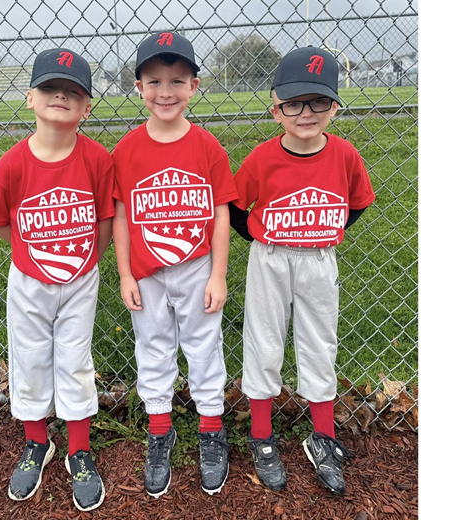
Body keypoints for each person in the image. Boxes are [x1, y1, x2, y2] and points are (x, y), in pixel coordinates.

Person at [229, 46, 376, 496]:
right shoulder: (262, 157)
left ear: (335, 106)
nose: (306, 113)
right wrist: (263, 239)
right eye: (294, 103)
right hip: (271, 258)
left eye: (318, 101)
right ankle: (261, 435)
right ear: (276, 109)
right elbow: (235, 207)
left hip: (317, 259)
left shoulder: (345, 154)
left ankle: (322, 436)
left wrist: (324, 229)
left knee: (319, 344)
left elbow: (358, 202)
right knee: (264, 340)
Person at [0, 47, 114, 512]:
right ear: (30, 97)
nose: (61, 96)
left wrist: (86, 258)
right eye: (50, 88)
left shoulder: (97, 159)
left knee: (74, 359)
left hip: (80, 278)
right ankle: (38, 442)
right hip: (29, 280)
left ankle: (79, 450)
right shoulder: (12, 163)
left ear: (86, 107)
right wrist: (31, 251)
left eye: (72, 92)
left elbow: (105, 220)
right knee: (31, 357)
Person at [111, 31, 239, 497]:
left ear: (194, 86)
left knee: (204, 345)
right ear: (138, 87)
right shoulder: (126, 149)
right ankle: (160, 429)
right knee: (153, 345)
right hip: (147, 271)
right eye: (155, 81)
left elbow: (221, 212)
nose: (165, 92)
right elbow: (121, 214)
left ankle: (211, 429)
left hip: (197, 265)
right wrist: (125, 273)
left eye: (177, 81)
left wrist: (219, 274)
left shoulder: (207, 146)